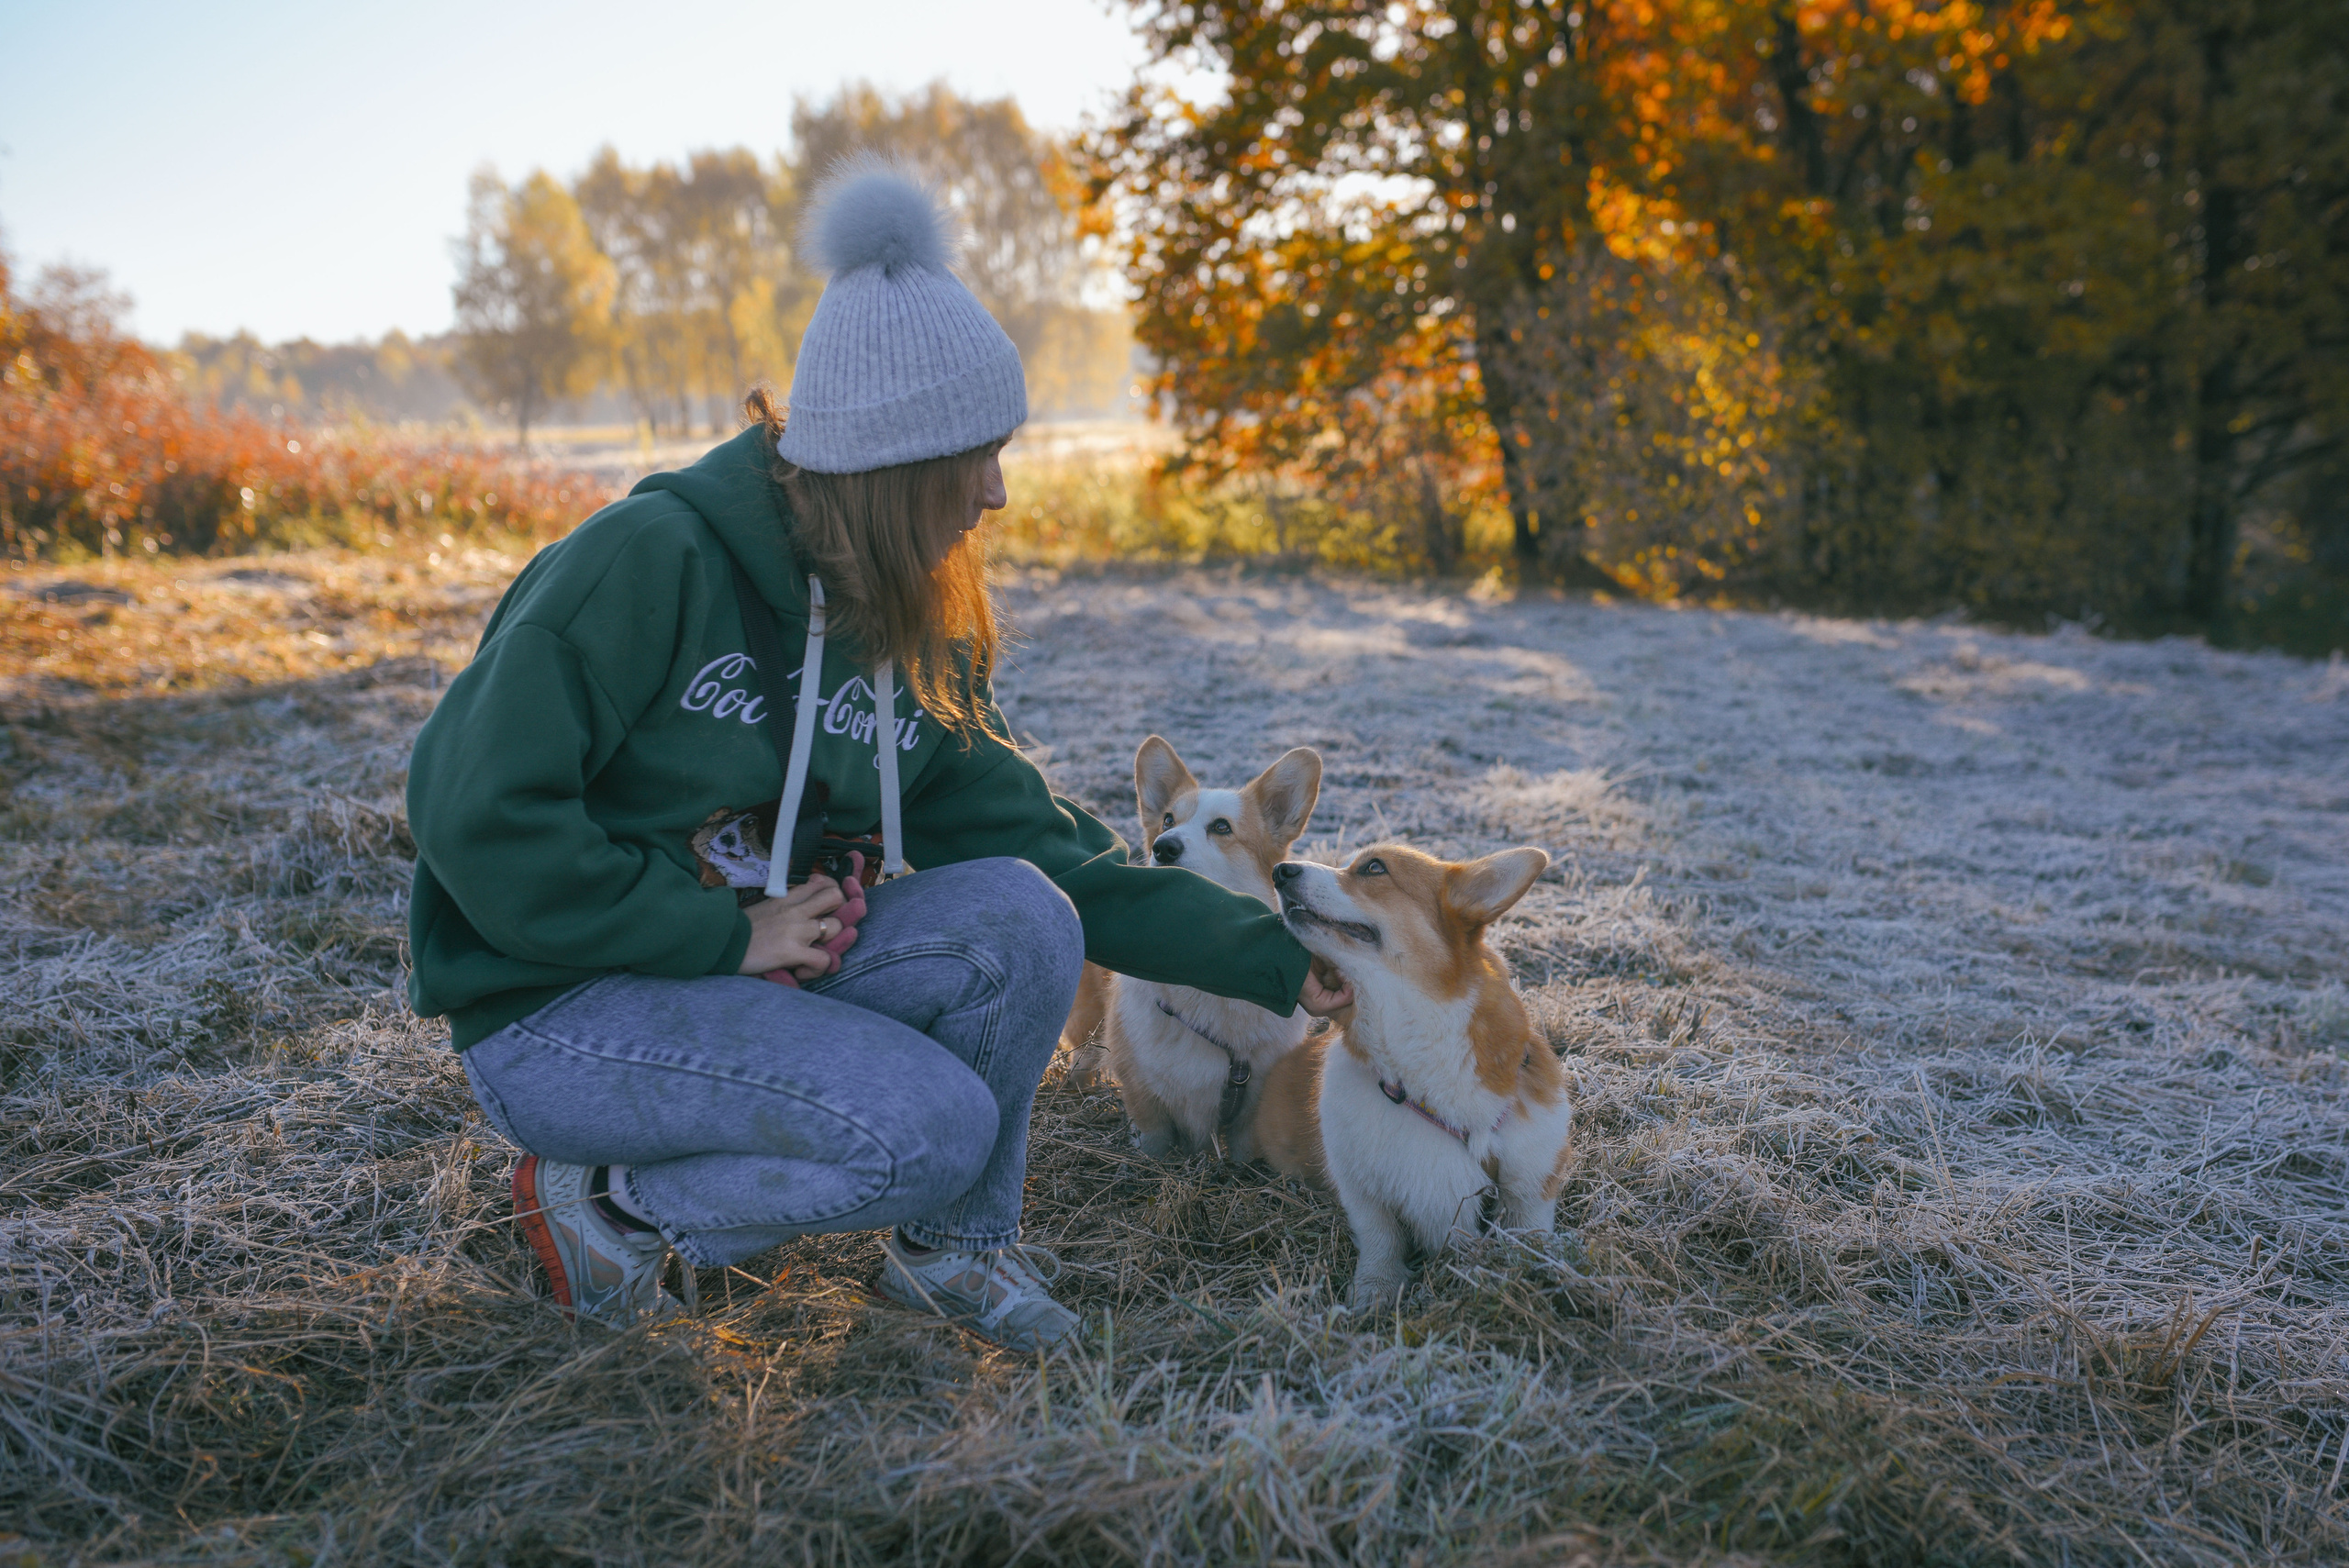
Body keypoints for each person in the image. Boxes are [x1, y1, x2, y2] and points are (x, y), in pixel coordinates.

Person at [404, 159, 1349, 1351]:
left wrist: (1274, 959)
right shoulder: (647, 564)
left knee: (1026, 911)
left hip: (742, 974)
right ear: (896, 465)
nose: (996, 494)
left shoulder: (905, 628)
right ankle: (604, 1208)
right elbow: (472, 812)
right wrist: (715, 932)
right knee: (932, 1126)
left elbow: (1061, 855)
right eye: (978, 456)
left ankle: (955, 1255)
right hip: (557, 1008)